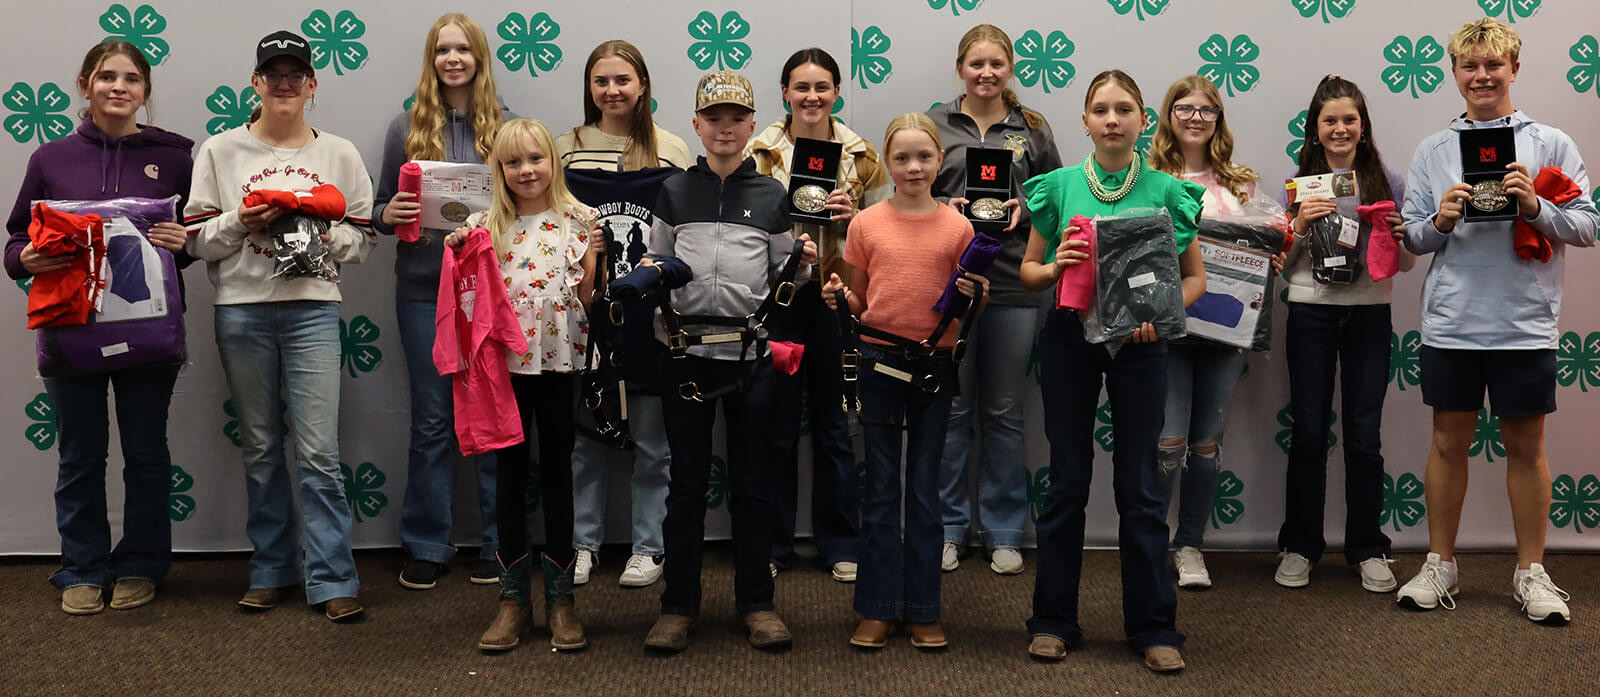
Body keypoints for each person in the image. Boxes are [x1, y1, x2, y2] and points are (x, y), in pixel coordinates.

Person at [1397, 17, 1597, 624]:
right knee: (1446, 442)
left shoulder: (1552, 142)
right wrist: (1442, 220)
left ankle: (1531, 572)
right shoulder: (1434, 149)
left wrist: (1535, 206)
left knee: (1526, 448)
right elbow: (1411, 237)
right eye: (1469, 66)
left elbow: (1588, 225)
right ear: (1455, 73)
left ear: (1514, 68)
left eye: (1493, 65)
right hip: (1452, 322)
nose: (1481, 76)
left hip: (1524, 323)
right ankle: (1440, 562)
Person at [184, 30, 376, 622]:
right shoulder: (220, 151)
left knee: (319, 452)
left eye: (297, 75)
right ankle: (270, 568)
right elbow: (196, 242)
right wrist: (243, 220)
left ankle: (332, 577)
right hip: (241, 310)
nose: (285, 83)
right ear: (257, 83)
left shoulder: (339, 154)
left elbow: (363, 241)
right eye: (274, 74)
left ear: (312, 85)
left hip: (313, 309)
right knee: (262, 448)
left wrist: (313, 225)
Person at [1018, 70, 1205, 673]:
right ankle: (1052, 621)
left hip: (1142, 345)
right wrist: (1054, 268)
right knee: (1067, 482)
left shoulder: (1167, 190)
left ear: (1143, 118)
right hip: (1071, 340)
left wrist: (1163, 314)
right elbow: (1028, 271)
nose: (1112, 119)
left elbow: (1195, 278)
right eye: (1101, 109)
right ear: (1085, 120)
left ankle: (1153, 627)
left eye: (1124, 109)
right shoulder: (1059, 187)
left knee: (1140, 488)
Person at [4, 40, 193, 615]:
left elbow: (192, 246)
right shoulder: (50, 158)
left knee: (146, 452)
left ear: (145, 90)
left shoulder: (178, 157)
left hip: (151, 335)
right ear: (85, 84)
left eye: (131, 79)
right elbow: (16, 241)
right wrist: (24, 260)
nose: (119, 87)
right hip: (70, 333)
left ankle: (140, 562)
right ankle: (82, 566)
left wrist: (187, 244)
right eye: (107, 77)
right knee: (80, 455)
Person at [641, 71, 817, 653]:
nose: (724, 128)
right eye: (712, 118)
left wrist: (807, 261)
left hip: (751, 358)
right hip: (685, 355)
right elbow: (656, 265)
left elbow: (786, 278)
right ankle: (677, 607)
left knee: (753, 484)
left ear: (752, 126)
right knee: (686, 486)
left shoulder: (772, 195)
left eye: (736, 119)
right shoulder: (672, 192)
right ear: (696, 124)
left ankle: (758, 603)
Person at [822, 112, 982, 650]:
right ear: (886, 164)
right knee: (883, 485)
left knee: (926, 487)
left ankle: (922, 608)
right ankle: (876, 606)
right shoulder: (865, 223)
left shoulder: (960, 228)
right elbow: (861, 300)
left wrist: (979, 293)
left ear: (940, 162)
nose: (913, 167)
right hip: (878, 361)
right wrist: (840, 299)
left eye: (924, 157)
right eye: (901, 158)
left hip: (935, 365)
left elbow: (969, 298)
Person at [449, 118, 601, 652]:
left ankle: (561, 600)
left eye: (535, 159)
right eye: (513, 162)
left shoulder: (579, 221)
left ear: (552, 163)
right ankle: (513, 600)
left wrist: (594, 266)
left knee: (559, 471)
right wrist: (457, 247)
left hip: (559, 364)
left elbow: (587, 301)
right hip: (501, 370)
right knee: (508, 475)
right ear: (499, 170)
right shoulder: (483, 224)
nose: (526, 170)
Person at [371, 12, 511, 591]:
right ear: (431, 60)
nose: (452, 59)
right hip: (422, 289)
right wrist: (391, 214)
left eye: (462, 49)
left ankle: (499, 543)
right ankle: (427, 542)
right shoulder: (405, 126)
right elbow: (378, 209)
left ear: (479, 56)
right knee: (431, 421)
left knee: (493, 416)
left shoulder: (508, 127)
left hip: (488, 290)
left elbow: (531, 201)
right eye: (442, 50)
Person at [749, 47, 890, 583]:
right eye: (801, 87)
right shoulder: (760, 151)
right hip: (779, 302)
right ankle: (774, 542)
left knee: (835, 427)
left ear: (837, 92)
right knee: (777, 426)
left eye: (822, 87)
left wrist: (857, 218)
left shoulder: (862, 154)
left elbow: (888, 227)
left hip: (837, 300)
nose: (812, 97)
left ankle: (841, 542)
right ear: (784, 92)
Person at [927, 24, 1063, 575]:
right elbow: (910, 187)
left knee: (1004, 411)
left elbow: (1058, 198)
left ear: (1010, 70)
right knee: (954, 408)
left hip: (1012, 283)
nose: (986, 73)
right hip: (949, 283)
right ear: (960, 67)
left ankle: (1005, 529)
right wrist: (947, 209)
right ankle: (948, 527)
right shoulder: (934, 124)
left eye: (997, 65)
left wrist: (1023, 212)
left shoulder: (1032, 128)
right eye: (976, 64)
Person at [556, 39, 690, 589]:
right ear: (589, 88)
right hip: (585, 315)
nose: (612, 91)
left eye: (623, 80)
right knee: (586, 438)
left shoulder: (672, 149)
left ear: (643, 86)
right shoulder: (564, 149)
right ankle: (582, 544)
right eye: (601, 81)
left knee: (655, 442)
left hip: (652, 318)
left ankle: (648, 547)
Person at [1273, 75, 1413, 594]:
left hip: (1370, 315)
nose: (1340, 128)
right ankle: (1299, 545)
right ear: (1315, 128)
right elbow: (1281, 267)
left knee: (1364, 432)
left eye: (1349, 119)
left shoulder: (1386, 179)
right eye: (1329, 120)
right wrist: (1301, 225)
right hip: (1310, 313)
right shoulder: (1298, 181)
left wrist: (1399, 235)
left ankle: (1367, 547)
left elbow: (1404, 260)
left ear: (1363, 125)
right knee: (1309, 431)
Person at [1146, 74, 1272, 589]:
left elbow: (1262, 249)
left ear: (1218, 120)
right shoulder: (1147, 175)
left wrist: (1273, 254)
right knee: (1167, 442)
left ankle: (1190, 544)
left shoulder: (1242, 183)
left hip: (1226, 331)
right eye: (1185, 107)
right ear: (1168, 114)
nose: (1196, 117)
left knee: (1206, 443)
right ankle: (1150, 541)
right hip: (1169, 326)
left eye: (1207, 110)